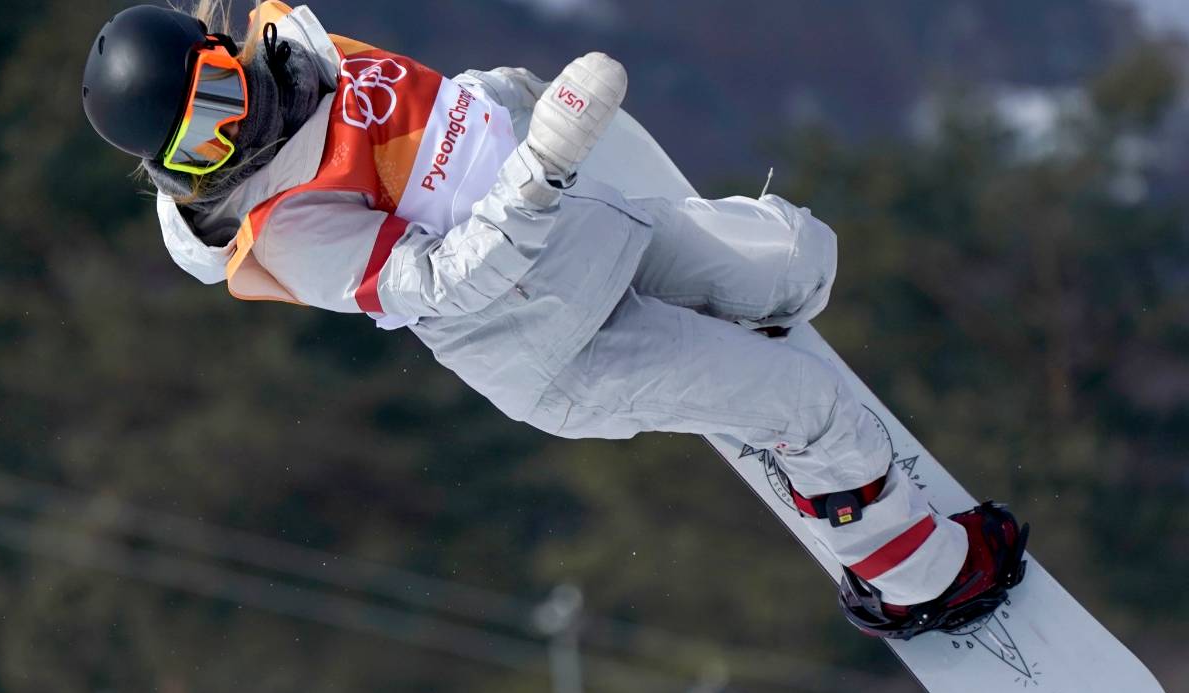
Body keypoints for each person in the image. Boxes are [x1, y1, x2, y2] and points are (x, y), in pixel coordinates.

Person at [81, 0, 1027, 639]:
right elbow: (442, 285)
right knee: (810, 404)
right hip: (556, 343)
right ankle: (917, 583)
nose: (229, 135)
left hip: (588, 233)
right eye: (196, 145)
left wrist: (520, 99)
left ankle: (745, 364)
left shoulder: (311, 53)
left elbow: (440, 111)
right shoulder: (282, 226)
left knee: (799, 261)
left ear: (230, 55)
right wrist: (543, 165)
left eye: (220, 100)